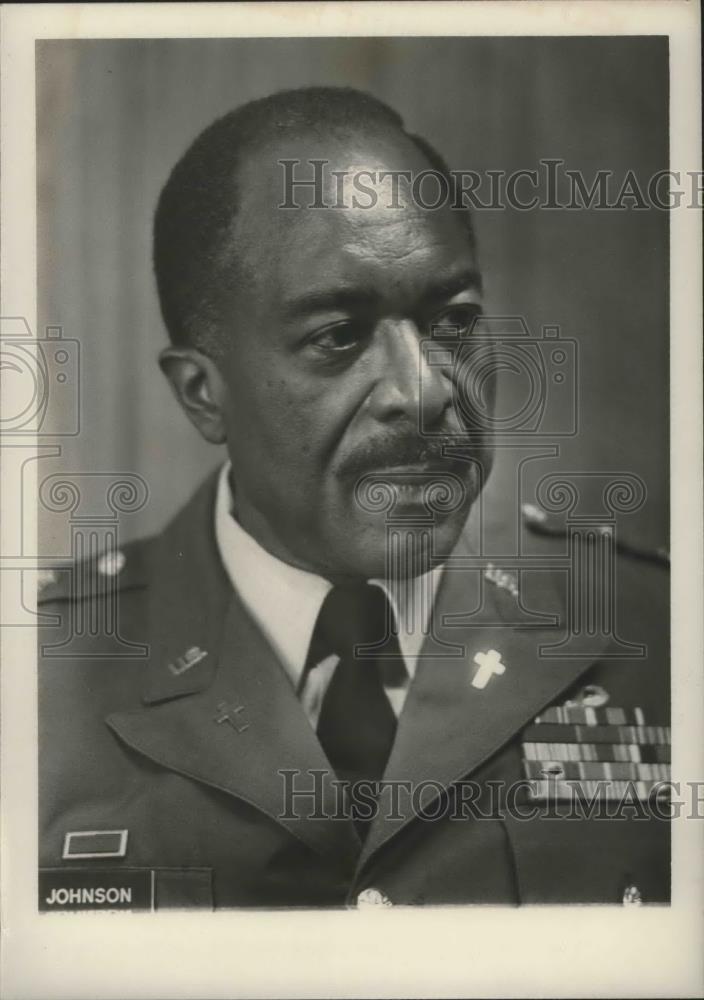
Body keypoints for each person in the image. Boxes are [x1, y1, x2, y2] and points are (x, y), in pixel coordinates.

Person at [38, 87, 669, 911]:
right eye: (336, 337)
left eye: (453, 321)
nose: (425, 391)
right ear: (203, 394)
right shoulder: (40, 679)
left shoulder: (657, 631)